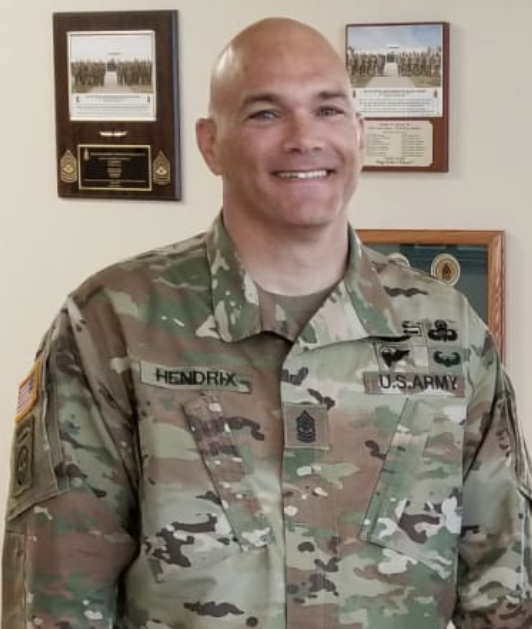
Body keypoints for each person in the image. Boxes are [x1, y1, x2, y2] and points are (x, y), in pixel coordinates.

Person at [2, 16, 531, 629]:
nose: (305, 138)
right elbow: (57, 595)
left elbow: (503, 581)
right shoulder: (112, 323)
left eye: (328, 110)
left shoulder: (446, 332)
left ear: (360, 133)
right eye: (265, 114)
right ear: (210, 142)